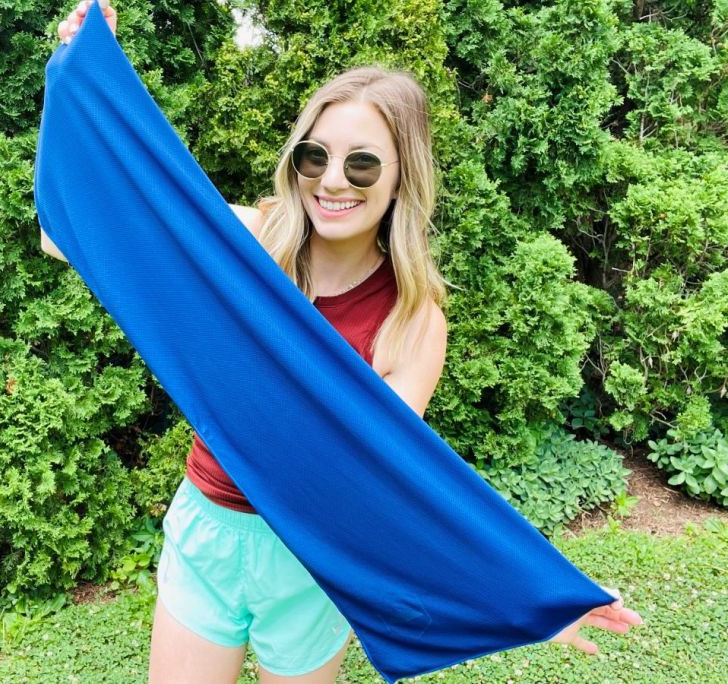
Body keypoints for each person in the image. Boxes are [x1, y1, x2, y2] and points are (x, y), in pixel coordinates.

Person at [47, 3, 644, 682]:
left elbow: (389, 482)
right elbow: (66, 229)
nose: (332, 181)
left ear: (400, 179)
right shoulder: (247, 249)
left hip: (312, 563)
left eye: (363, 165)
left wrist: (527, 600)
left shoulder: (412, 321)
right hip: (208, 534)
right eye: (316, 156)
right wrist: (76, 79)